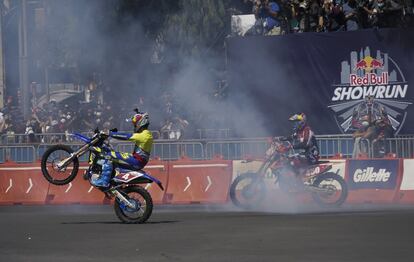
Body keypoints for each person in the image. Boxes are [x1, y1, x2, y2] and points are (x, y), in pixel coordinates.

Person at [91, 109, 153, 188]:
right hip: (137, 159)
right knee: (112, 152)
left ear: (140, 123)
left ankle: (104, 181)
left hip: (137, 161)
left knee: (109, 155)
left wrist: (109, 133)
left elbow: (126, 136)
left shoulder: (145, 135)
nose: (134, 126)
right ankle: (112, 179)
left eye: (135, 124)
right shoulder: (146, 134)